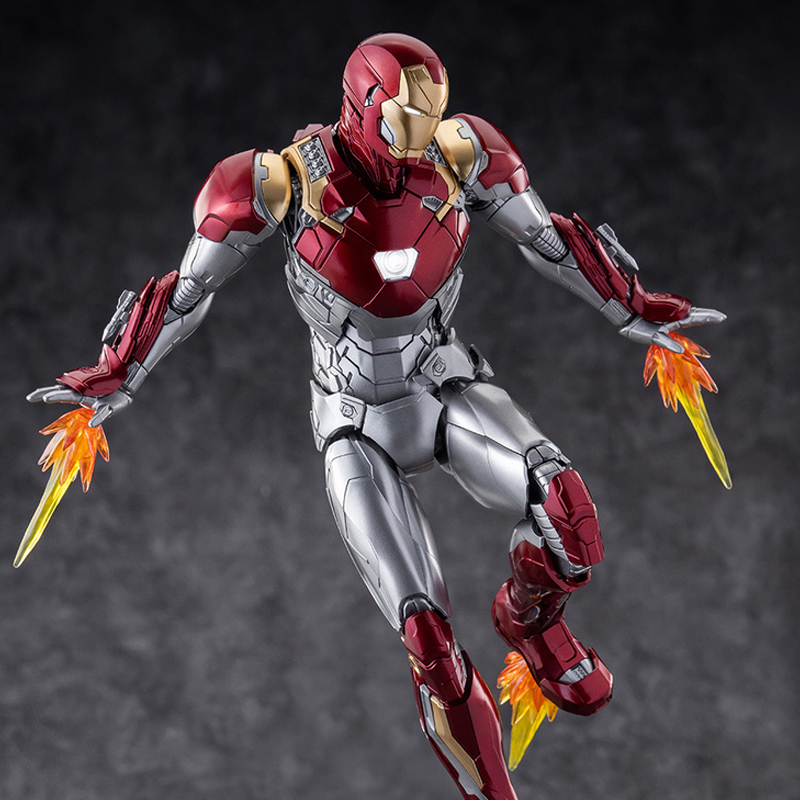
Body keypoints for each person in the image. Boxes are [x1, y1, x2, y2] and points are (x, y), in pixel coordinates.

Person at [28, 33, 724, 800]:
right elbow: (188, 291)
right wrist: (117, 373)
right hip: (354, 422)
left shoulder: (461, 157)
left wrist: (634, 309)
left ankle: (528, 619)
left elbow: (549, 239)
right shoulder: (279, 183)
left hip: (442, 385)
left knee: (569, 517)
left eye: (433, 114)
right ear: (363, 105)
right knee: (428, 637)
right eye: (406, 117)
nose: (423, 134)